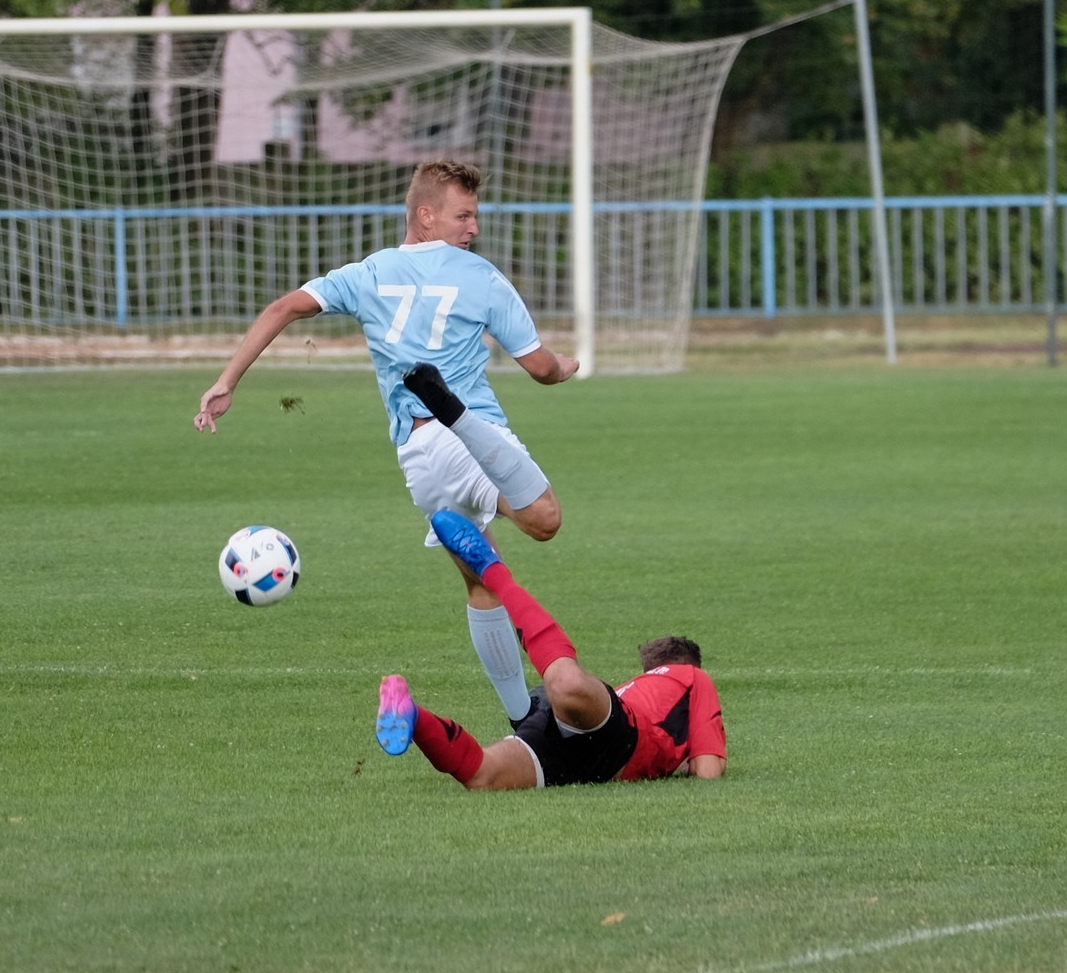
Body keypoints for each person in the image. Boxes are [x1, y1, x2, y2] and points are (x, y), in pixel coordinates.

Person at [193, 160, 580, 719]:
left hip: (417, 460)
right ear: (425, 216)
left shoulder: (369, 272)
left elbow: (284, 307)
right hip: (465, 438)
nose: (473, 228)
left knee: (482, 582)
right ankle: (453, 412)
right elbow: (540, 368)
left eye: (475, 216)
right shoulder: (481, 277)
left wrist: (226, 381)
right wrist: (566, 366)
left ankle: (521, 717)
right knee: (544, 518)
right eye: (463, 216)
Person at [374, 509, 726, 791]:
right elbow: (709, 772)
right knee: (567, 683)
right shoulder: (691, 676)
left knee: (483, 776)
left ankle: (412, 714)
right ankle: (494, 572)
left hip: (576, 752)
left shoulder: (640, 690)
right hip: (617, 741)